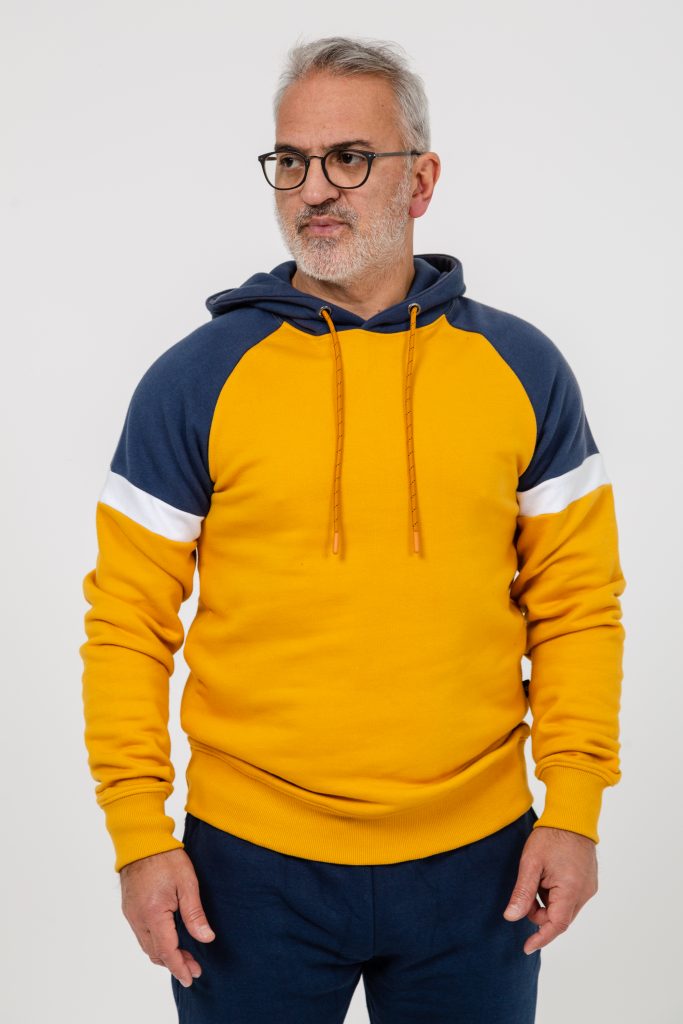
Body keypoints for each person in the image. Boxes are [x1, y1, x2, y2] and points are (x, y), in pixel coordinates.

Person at [79, 35, 627, 1024]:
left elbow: (578, 606)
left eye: (348, 158)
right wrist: (137, 836)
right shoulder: (194, 378)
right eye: (291, 161)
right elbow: (126, 622)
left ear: (420, 181)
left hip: (481, 865)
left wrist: (576, 810)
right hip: (246, 868)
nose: (314, 189)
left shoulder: (521, 369)